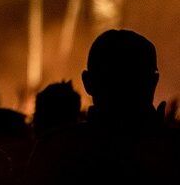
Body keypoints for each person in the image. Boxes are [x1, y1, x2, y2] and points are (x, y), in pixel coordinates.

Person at [25, 29, 180, 184]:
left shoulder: (54, 151)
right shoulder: (170, 150)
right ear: (154, 81)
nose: (123, 86)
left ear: (87, 82)